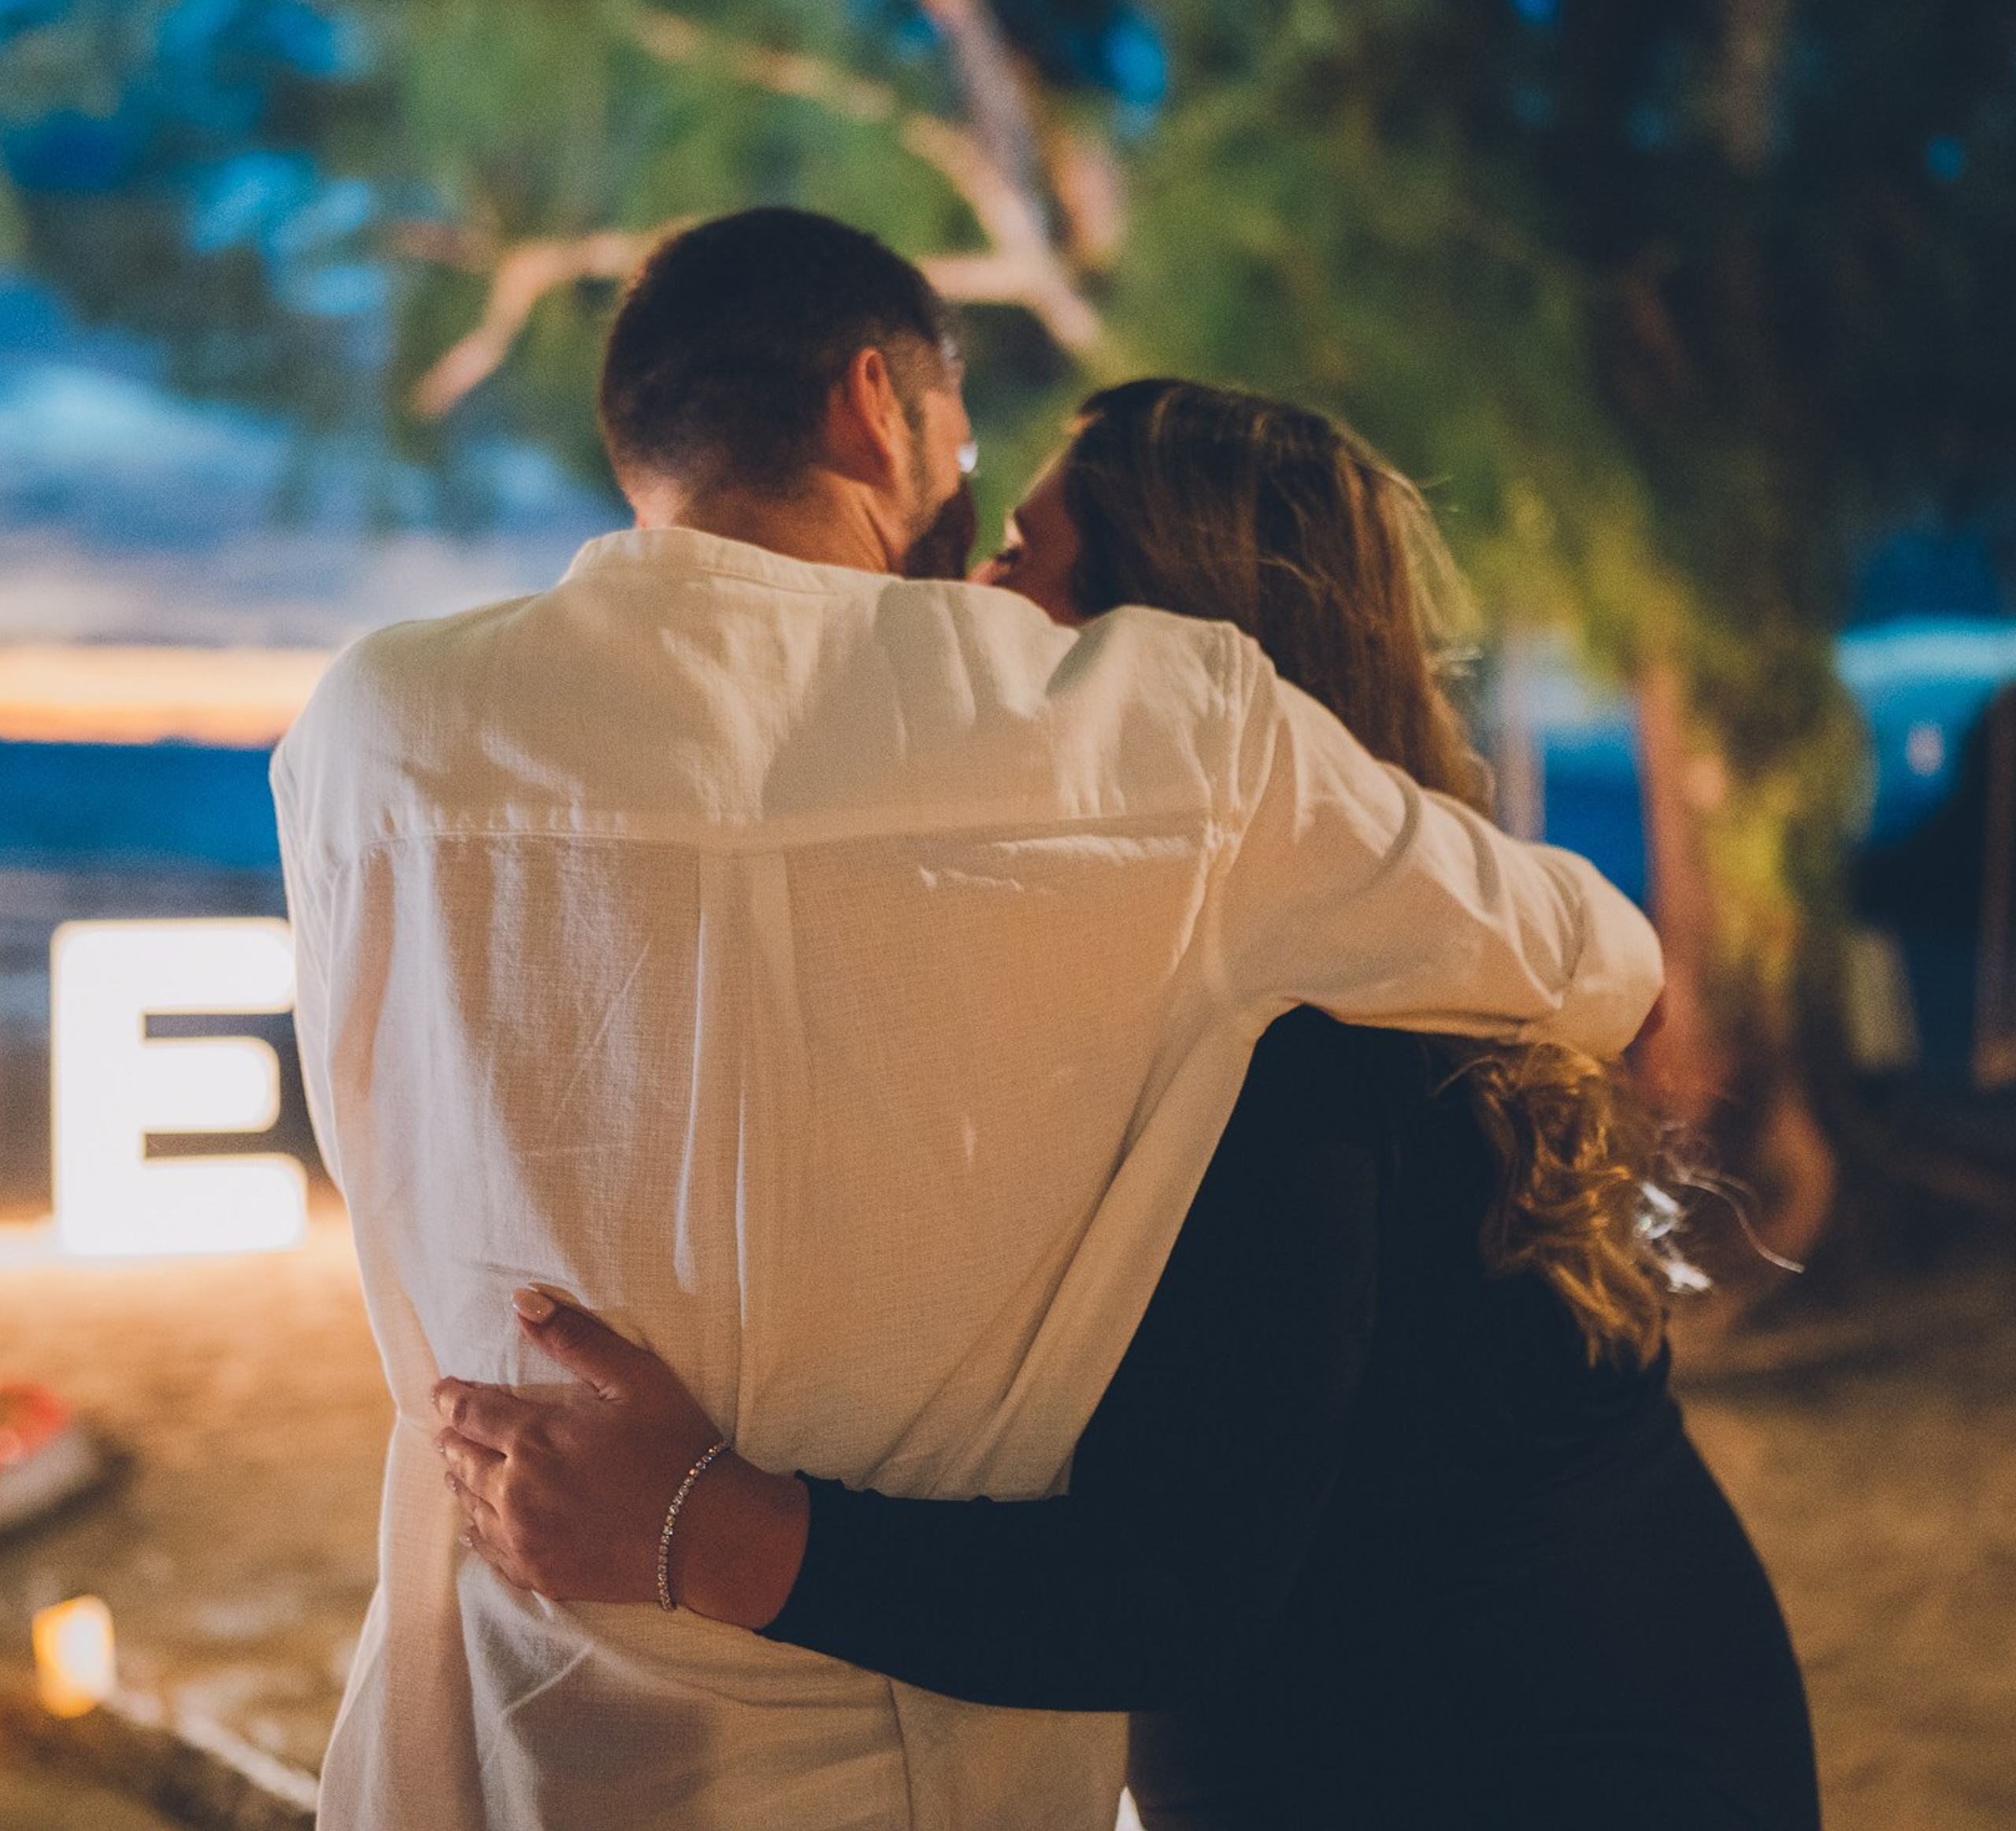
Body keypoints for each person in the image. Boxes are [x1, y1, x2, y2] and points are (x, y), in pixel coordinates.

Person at [275, 215, 1662, 1831]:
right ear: (877, 407)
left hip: (488, 1739)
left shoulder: (372, 734)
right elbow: (1595, 962)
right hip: (913, 1774)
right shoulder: (1159, 737)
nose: (966, 532)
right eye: (963, 458)